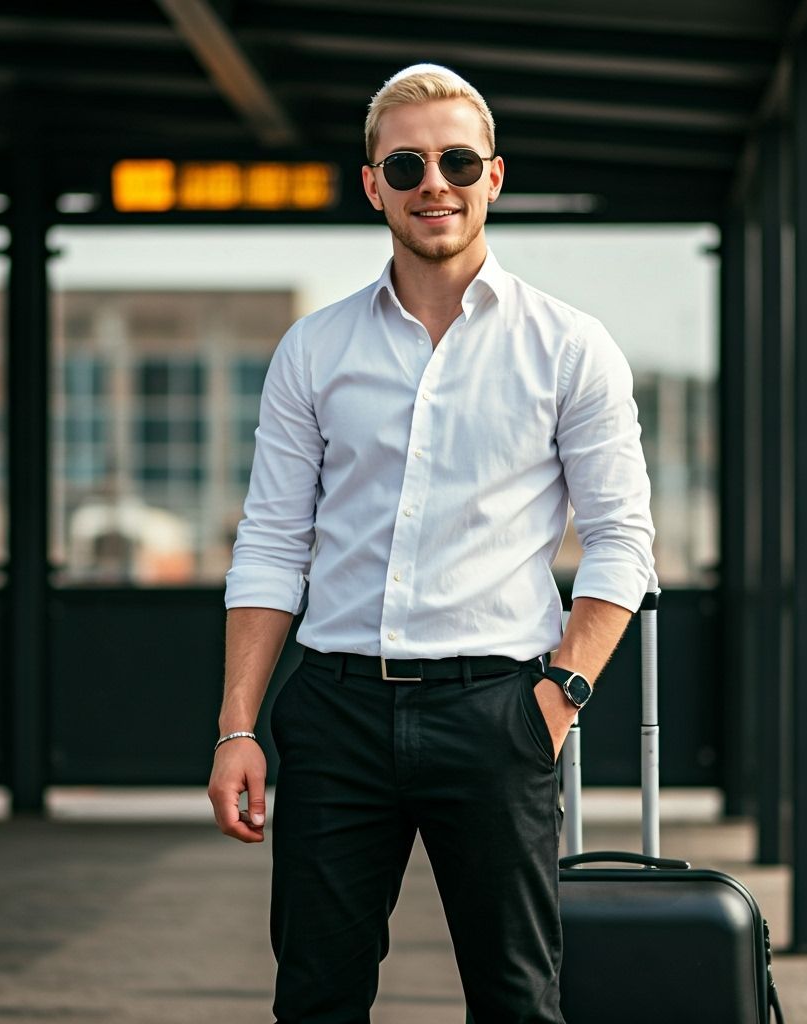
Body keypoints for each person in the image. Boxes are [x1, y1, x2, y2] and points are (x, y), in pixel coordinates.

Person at [208, 63, 655, 1024]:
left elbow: (622, 542)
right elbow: (272, 543)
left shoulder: (569, 346)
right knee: (316, 997)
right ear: (373, 185)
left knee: (518, 1002)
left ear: (495, 176)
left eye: (456, 160)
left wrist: (559, 695)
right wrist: (238, 726)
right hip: (335, 711)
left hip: (499, 711)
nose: (433, 184)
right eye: (406, 164)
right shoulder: (315, 349)